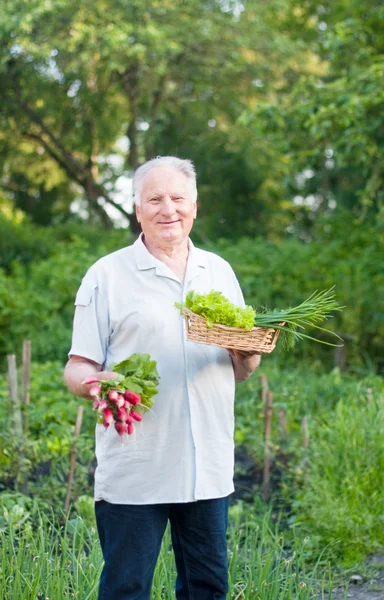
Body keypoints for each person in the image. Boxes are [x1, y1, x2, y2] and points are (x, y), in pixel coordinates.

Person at [64, 156, 261, 600]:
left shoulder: (219, 272)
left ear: (195, 205)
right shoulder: (107, 276)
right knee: (126, 588)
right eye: (154, 198)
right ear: (137, 209)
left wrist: (247, 355)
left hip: (206, 466)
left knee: (206, 588)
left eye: (178, 198)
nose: (167, 208)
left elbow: (241, 371)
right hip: (138, 466)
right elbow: (77, 365)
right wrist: (100, 382)